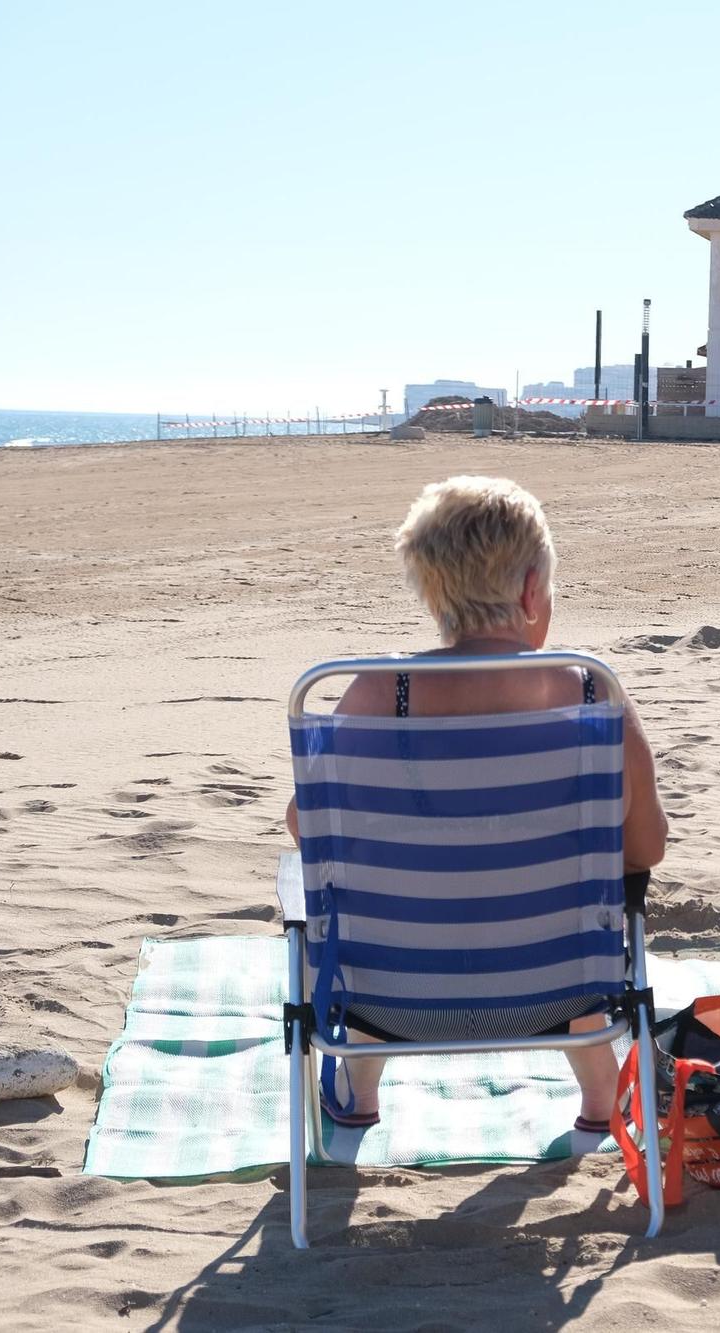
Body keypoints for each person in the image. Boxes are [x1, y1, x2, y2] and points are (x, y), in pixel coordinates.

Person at [285, 475, 667, 1132]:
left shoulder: (383, 691)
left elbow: (307, 824)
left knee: (368, 891)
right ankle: (602, 1101)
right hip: (554, 985)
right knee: (582, 899)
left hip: (396, 993)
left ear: (433, 591)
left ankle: (359, 1093)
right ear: (529, 592)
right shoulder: (590, 692)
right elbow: (646, 846)